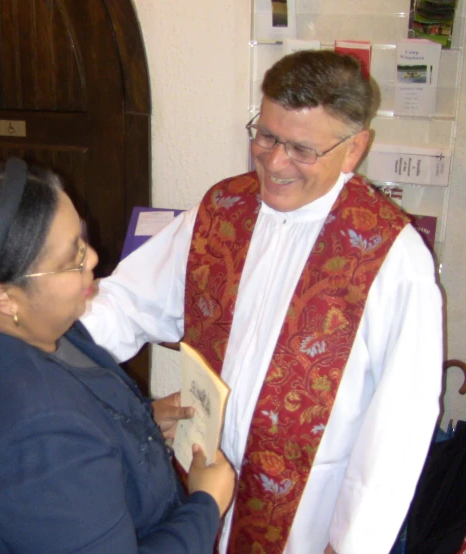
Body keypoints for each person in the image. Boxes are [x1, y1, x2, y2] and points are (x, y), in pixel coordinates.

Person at [81, 50, 443, 554]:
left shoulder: (391, 256)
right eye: (267, 135)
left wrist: (355, 543)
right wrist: (41, 342)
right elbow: (127, 303)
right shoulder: (222, 208)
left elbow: (400, 424)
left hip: (307, 517)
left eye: (301, 149)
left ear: (354, 148)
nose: (274, 162)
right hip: (201, 484)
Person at [0, 159, 237, 553]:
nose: (92, 259)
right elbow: (53, 444)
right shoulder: (38, 432)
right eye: (71, 259)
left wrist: (141, 423)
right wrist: (206, 505)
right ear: (4, 297)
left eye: (82, 241)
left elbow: (79, 412)